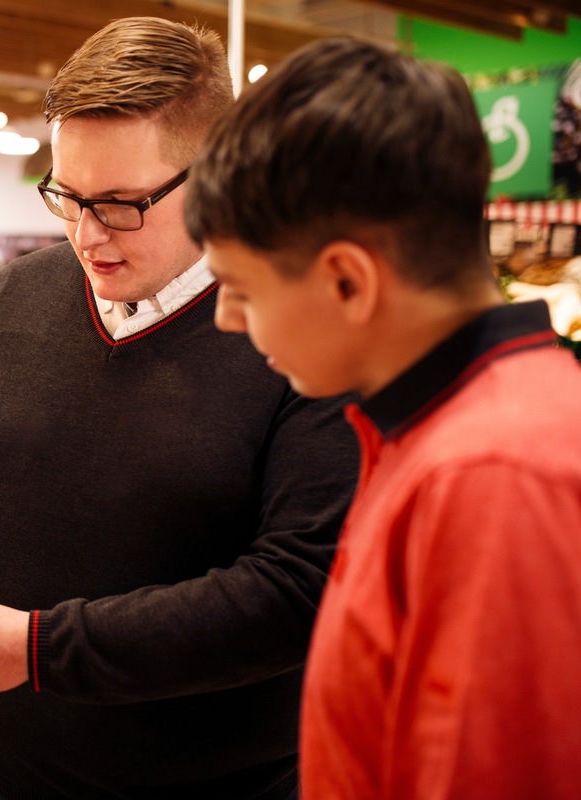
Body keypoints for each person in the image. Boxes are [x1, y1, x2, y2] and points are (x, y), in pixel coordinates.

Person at [0, 16, 359, 800]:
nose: (88, 236)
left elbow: (296, 591)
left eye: (124, 203)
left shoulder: (301, 334)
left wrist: (37, 650)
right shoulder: (15, 294)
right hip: (1, 769)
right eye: (68, 196)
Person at [183, 36, 581, 799]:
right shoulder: (447, 429)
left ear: (346, 282)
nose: (228, 319)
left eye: (241, 288)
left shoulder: (492, 478)